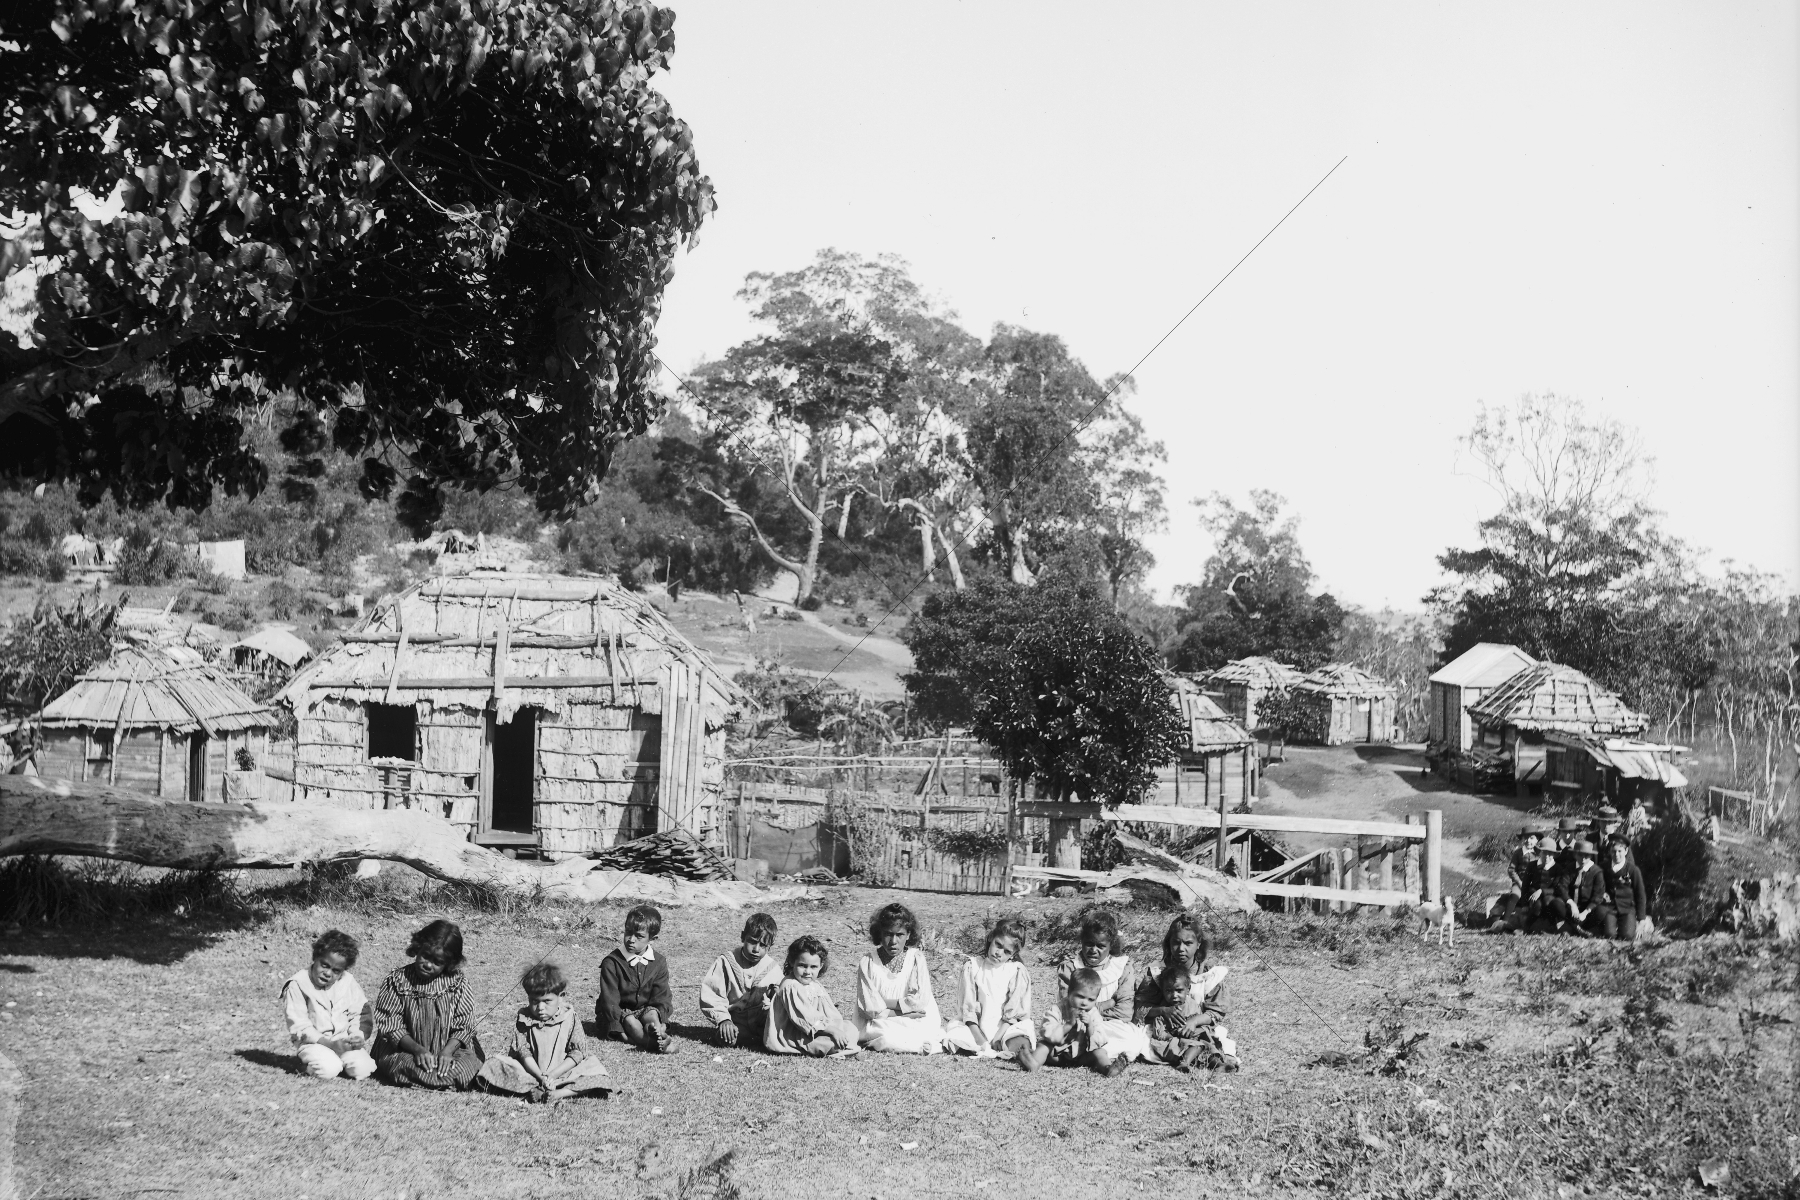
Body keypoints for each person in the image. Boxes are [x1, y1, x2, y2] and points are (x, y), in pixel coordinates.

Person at [372, 919, 486, 1089]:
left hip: (449, 1052)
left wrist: (447, 1052)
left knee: (466, 1065)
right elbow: (391, 1024)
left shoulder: (458, 983)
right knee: (401, 1064)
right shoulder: (397, 981)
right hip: (406, 1051)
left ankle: (436, 1077)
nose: (427, 964)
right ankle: (442, 1080)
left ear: (449, 963)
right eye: (425, 955)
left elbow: (464, 1025)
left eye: (437, 962)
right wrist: (417, 1050)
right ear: (418, 948)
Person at [477, 963, 612, 1102]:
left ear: (561, 997)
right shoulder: (524, 1018)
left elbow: (577, 1053)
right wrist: (540, 1076)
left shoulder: (569, 1017)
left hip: (564, 1073)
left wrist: (553, 1075)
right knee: (493, 1065)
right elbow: (524, 1052)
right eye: (534, 1001)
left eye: (547, 1001)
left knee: (597, 1072)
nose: (540, 1008)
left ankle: (560, 1093)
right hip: (531, 1073)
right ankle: (534, 1088)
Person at [1047, 911, 1151, 1070]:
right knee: (1064, 1037)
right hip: (1078, 1026)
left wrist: (1093, 1013)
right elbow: (1069, 1006)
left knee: (1133, 1039)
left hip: (1112, 1026)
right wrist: (1107, 1004)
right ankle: (1095, 1057)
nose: (1094, 950)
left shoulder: (1122, 968)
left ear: (1111, 945)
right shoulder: (1070, 968)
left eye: (1101, 946)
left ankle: (1085, 1057)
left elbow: (1124, 1013)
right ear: (1081, 941)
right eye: (1089, 943)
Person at [1134, 913, 1236, 1065]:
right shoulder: (1157, 972)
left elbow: (1216, 1012)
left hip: (1197, 1027)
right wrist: (1162, 1010)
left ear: (1198, 943)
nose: (1181, 949)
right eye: (1176, 943)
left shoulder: (1208, 973)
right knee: (1142, 1044)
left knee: (1219, 1039)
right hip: (1164, 1029)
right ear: (1169, 943)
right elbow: (1140, 1008)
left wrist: (1194, 1021)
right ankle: (1195, 1057)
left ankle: (1206, 1057)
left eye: (1188, 943)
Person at [941, 916, 1036, 1069]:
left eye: (1006, 951)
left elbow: (1013, 1011)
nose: (999, 953)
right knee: (956, 1038)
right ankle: (982, 1049)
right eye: (998, 945)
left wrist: (997, 1038)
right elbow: (968, 1009)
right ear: (991, 938)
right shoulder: (973, 967)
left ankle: (1021, 1054)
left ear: (1012, 954)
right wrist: (982, 1041)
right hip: (976, 1026)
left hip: (1005, 1027)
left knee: (1019, 1038)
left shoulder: (1015, 971)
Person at [852, 903, 947, 1054]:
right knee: (886, 1036)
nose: (893, 941)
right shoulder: (868, 962)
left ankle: (923, 1043)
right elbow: (869, 1008)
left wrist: (882, 1002)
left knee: (923, 1027)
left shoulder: (916, 958)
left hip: (915, 1018)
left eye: (900, 935)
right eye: (888, 934)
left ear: (908, 935)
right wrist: (906, 1012)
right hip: (880, 1020)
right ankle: (920, 1046)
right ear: (880, 934)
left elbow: (919, 1002)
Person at [281, 929, 375, 1081]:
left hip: (343, 1041)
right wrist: (329, 1044)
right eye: (324, 965)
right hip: (314, 1043)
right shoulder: (298, 984)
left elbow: (360, 1012)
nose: (328, 973)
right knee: (328, 1070)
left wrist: (357, 1036)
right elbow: (299, 1025)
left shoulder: (348, 982)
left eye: (336, 971)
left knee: (363, 1069)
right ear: (315, 958)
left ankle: (341, 1063)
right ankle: (306, 1065)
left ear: (343, 970)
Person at [765, 935, 860, 1057]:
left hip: (821, 1028)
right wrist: (833, 1031)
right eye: (802, 965)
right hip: (799, 1034)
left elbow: (829, 1011)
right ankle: (842, 1049)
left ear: (820, 966)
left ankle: (845, 1046)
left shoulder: (814, 984)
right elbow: (804, 1019)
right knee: (830, 1042)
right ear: (792, 962)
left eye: (813, 967)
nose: (807, 972)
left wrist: (837, 1026)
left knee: (851, 1029)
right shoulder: (791, 986)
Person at [596, 905, 674, 1053]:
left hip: (643, 1011)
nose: (631, 939)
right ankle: (653, 1045)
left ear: (652, 938)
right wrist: (620, 1031)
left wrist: (662, 1021)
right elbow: (609, 1001)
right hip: (617, 1015)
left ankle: (657, 1033)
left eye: (639, 936)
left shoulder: (658, 962)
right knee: (632, 1022)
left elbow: (662, 996)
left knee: (652, 1015)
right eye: (628, 932)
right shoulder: (612, 962)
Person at [699, 912, 783, 1048]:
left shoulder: (772, 968)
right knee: (728, 1038)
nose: (756, 949)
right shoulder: (726, 962)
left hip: (762, 1022)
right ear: (743, 936)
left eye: (763, 945)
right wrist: (723, 1020)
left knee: (776, 1038)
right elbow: (712, 994)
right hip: (736, 1022)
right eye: (752, 942)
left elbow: (781, 1000)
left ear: (770, 945)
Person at [1036, 968, 1125, 1074]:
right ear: (1069, 993)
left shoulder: (1093, 1013)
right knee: (1043, 1046)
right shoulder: (1058, 1009)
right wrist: (1068, 1025)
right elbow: (1046, 1031)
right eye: (1080, 997)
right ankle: (1033, 1062)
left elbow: (1101, 1038)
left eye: (1090, 999)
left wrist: (1090, 1026)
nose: (1084, 1003)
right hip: (1058, 1055)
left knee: (1100, 1052)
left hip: (1082, 1056)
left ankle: (1107, 1068)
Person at [1140, 965, 1215, 1072]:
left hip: (1193, 1038)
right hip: (1175, 1042)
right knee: (1196, 1047)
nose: (1174, 995)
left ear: (1188, 990)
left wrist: (1196, 1030)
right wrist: (1175, 1035)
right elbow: (1159, 1033)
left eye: (1179, 990)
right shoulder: (1165, 1011)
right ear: (1163, 991)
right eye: (1169, 991)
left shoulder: (1193, 1005)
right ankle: (1184, 1063)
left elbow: (1201, 1023)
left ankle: (1218, 1062)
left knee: (1209, 1044)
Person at [1596, 835, 1648, 941]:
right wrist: (1603, 893)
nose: (1617, 855)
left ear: (1626, 851)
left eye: (1620, 851)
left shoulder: (1633, 870)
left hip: (1627, 908)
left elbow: (1640, 894)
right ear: (1610, 851)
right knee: (1610, 935)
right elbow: (1599, 885)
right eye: (1613, 851)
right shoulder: (1603, 867)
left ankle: (1644, 922)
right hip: (1610, 908)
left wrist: (1641, 919)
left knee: (1627, 936)